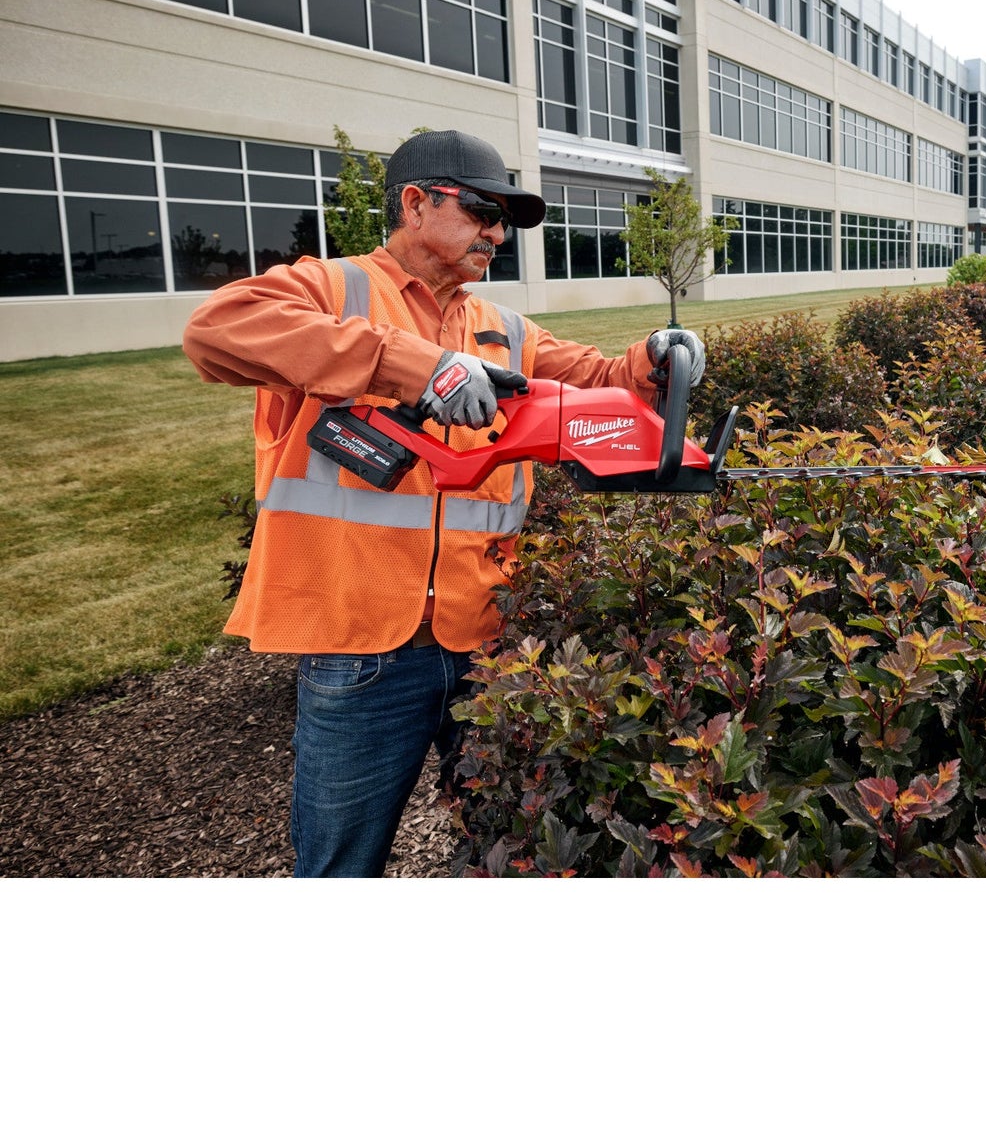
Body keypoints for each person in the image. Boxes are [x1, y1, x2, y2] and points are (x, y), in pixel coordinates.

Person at [183, 129, 705, 877]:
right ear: (416, 204)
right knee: (339, 870)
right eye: (483, 212)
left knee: (495, 848)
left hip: (481, 639)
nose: (498, 234)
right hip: (358, 647)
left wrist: (653, 360)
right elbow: (215, 330)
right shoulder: (330, 290)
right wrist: (417, 367)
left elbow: (597, 379)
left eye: (504, 222)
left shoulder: (503, 329)